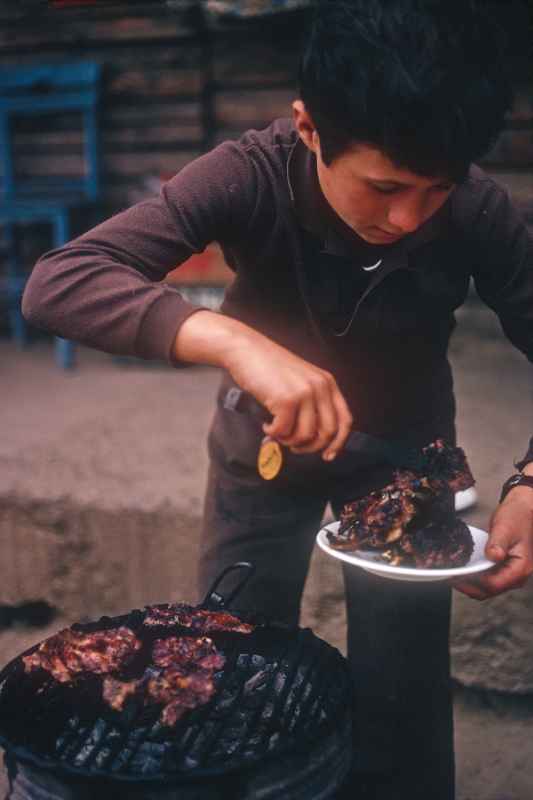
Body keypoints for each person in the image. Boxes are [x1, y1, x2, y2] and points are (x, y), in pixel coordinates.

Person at [21, 1, 533, 797]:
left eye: (435, 189)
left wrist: (531, 480)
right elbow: (61, 282)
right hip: (258, 454)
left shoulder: (477, 209)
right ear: (307, 127)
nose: (408, 218)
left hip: (408, 464)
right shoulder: (247, 174)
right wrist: (234, 342)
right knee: (234, 659)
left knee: (402, 687)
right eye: (384, 186)